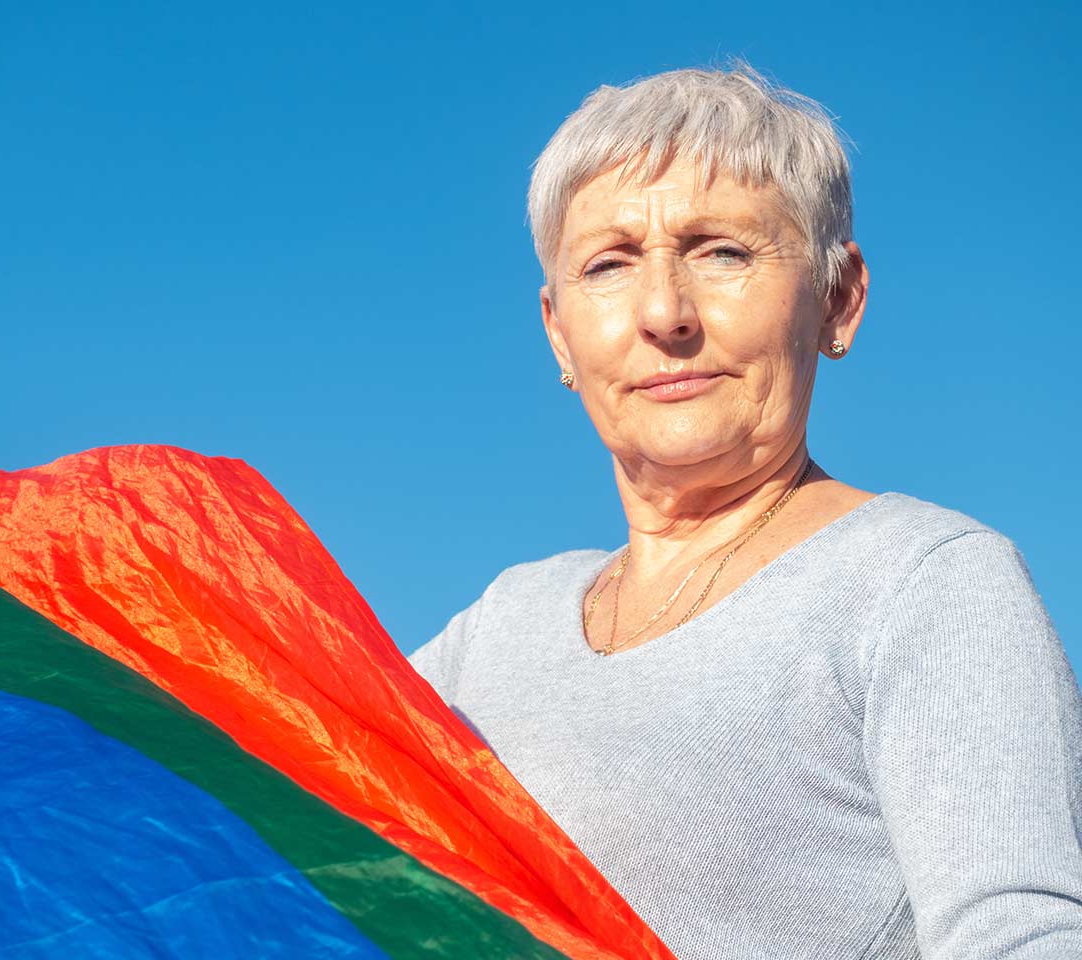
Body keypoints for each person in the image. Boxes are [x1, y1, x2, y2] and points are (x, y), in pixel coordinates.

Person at [407, 61, 1082, 959]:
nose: (663, 313)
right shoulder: (497, 629)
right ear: (559, 333)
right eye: (608, 265)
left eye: (721, 251)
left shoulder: (924, 583)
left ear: (838, 301)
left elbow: (1021, 935)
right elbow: (266, 791)